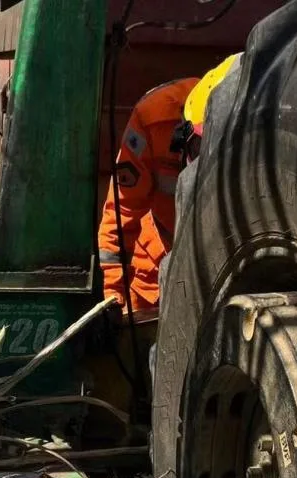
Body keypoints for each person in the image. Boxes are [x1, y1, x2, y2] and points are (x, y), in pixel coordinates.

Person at [97, 55, 239, 312]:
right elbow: (121, 212)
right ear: (183, 132)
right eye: (198, 148)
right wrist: (113, 300)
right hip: (153, 273)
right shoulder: (154, 119)